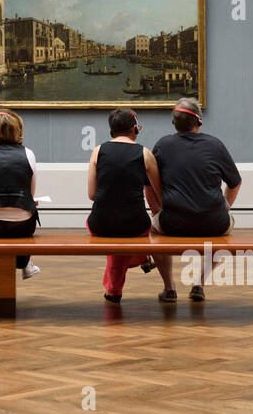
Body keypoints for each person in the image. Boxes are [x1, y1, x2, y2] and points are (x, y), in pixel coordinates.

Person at [142, 97, 242, 302]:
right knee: (223, 236)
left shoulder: (163, 145)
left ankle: (169, 288)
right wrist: (225, 206)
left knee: (153, 234)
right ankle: (199, 284)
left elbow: (148, 185)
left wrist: (157, 212)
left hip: (172, 223)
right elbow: (235, 183)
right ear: (199, 122)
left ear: (174, 123)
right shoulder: (215, 145)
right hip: (215, 223)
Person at [86, 108, 164, 303]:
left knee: (116, 243)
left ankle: (114, 290)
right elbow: (158, 191)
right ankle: (140, 258)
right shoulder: (144, 154)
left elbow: (91, 194)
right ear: (134, 129)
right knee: (126, 238)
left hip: (100, 223)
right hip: (135, 223)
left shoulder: (98, 151)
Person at [0, 109, 41, 279]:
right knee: (25, 214)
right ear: (17, 130)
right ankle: (24, 263)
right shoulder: (29, 154)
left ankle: (13, 272)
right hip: (22, 226)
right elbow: (30, 195)